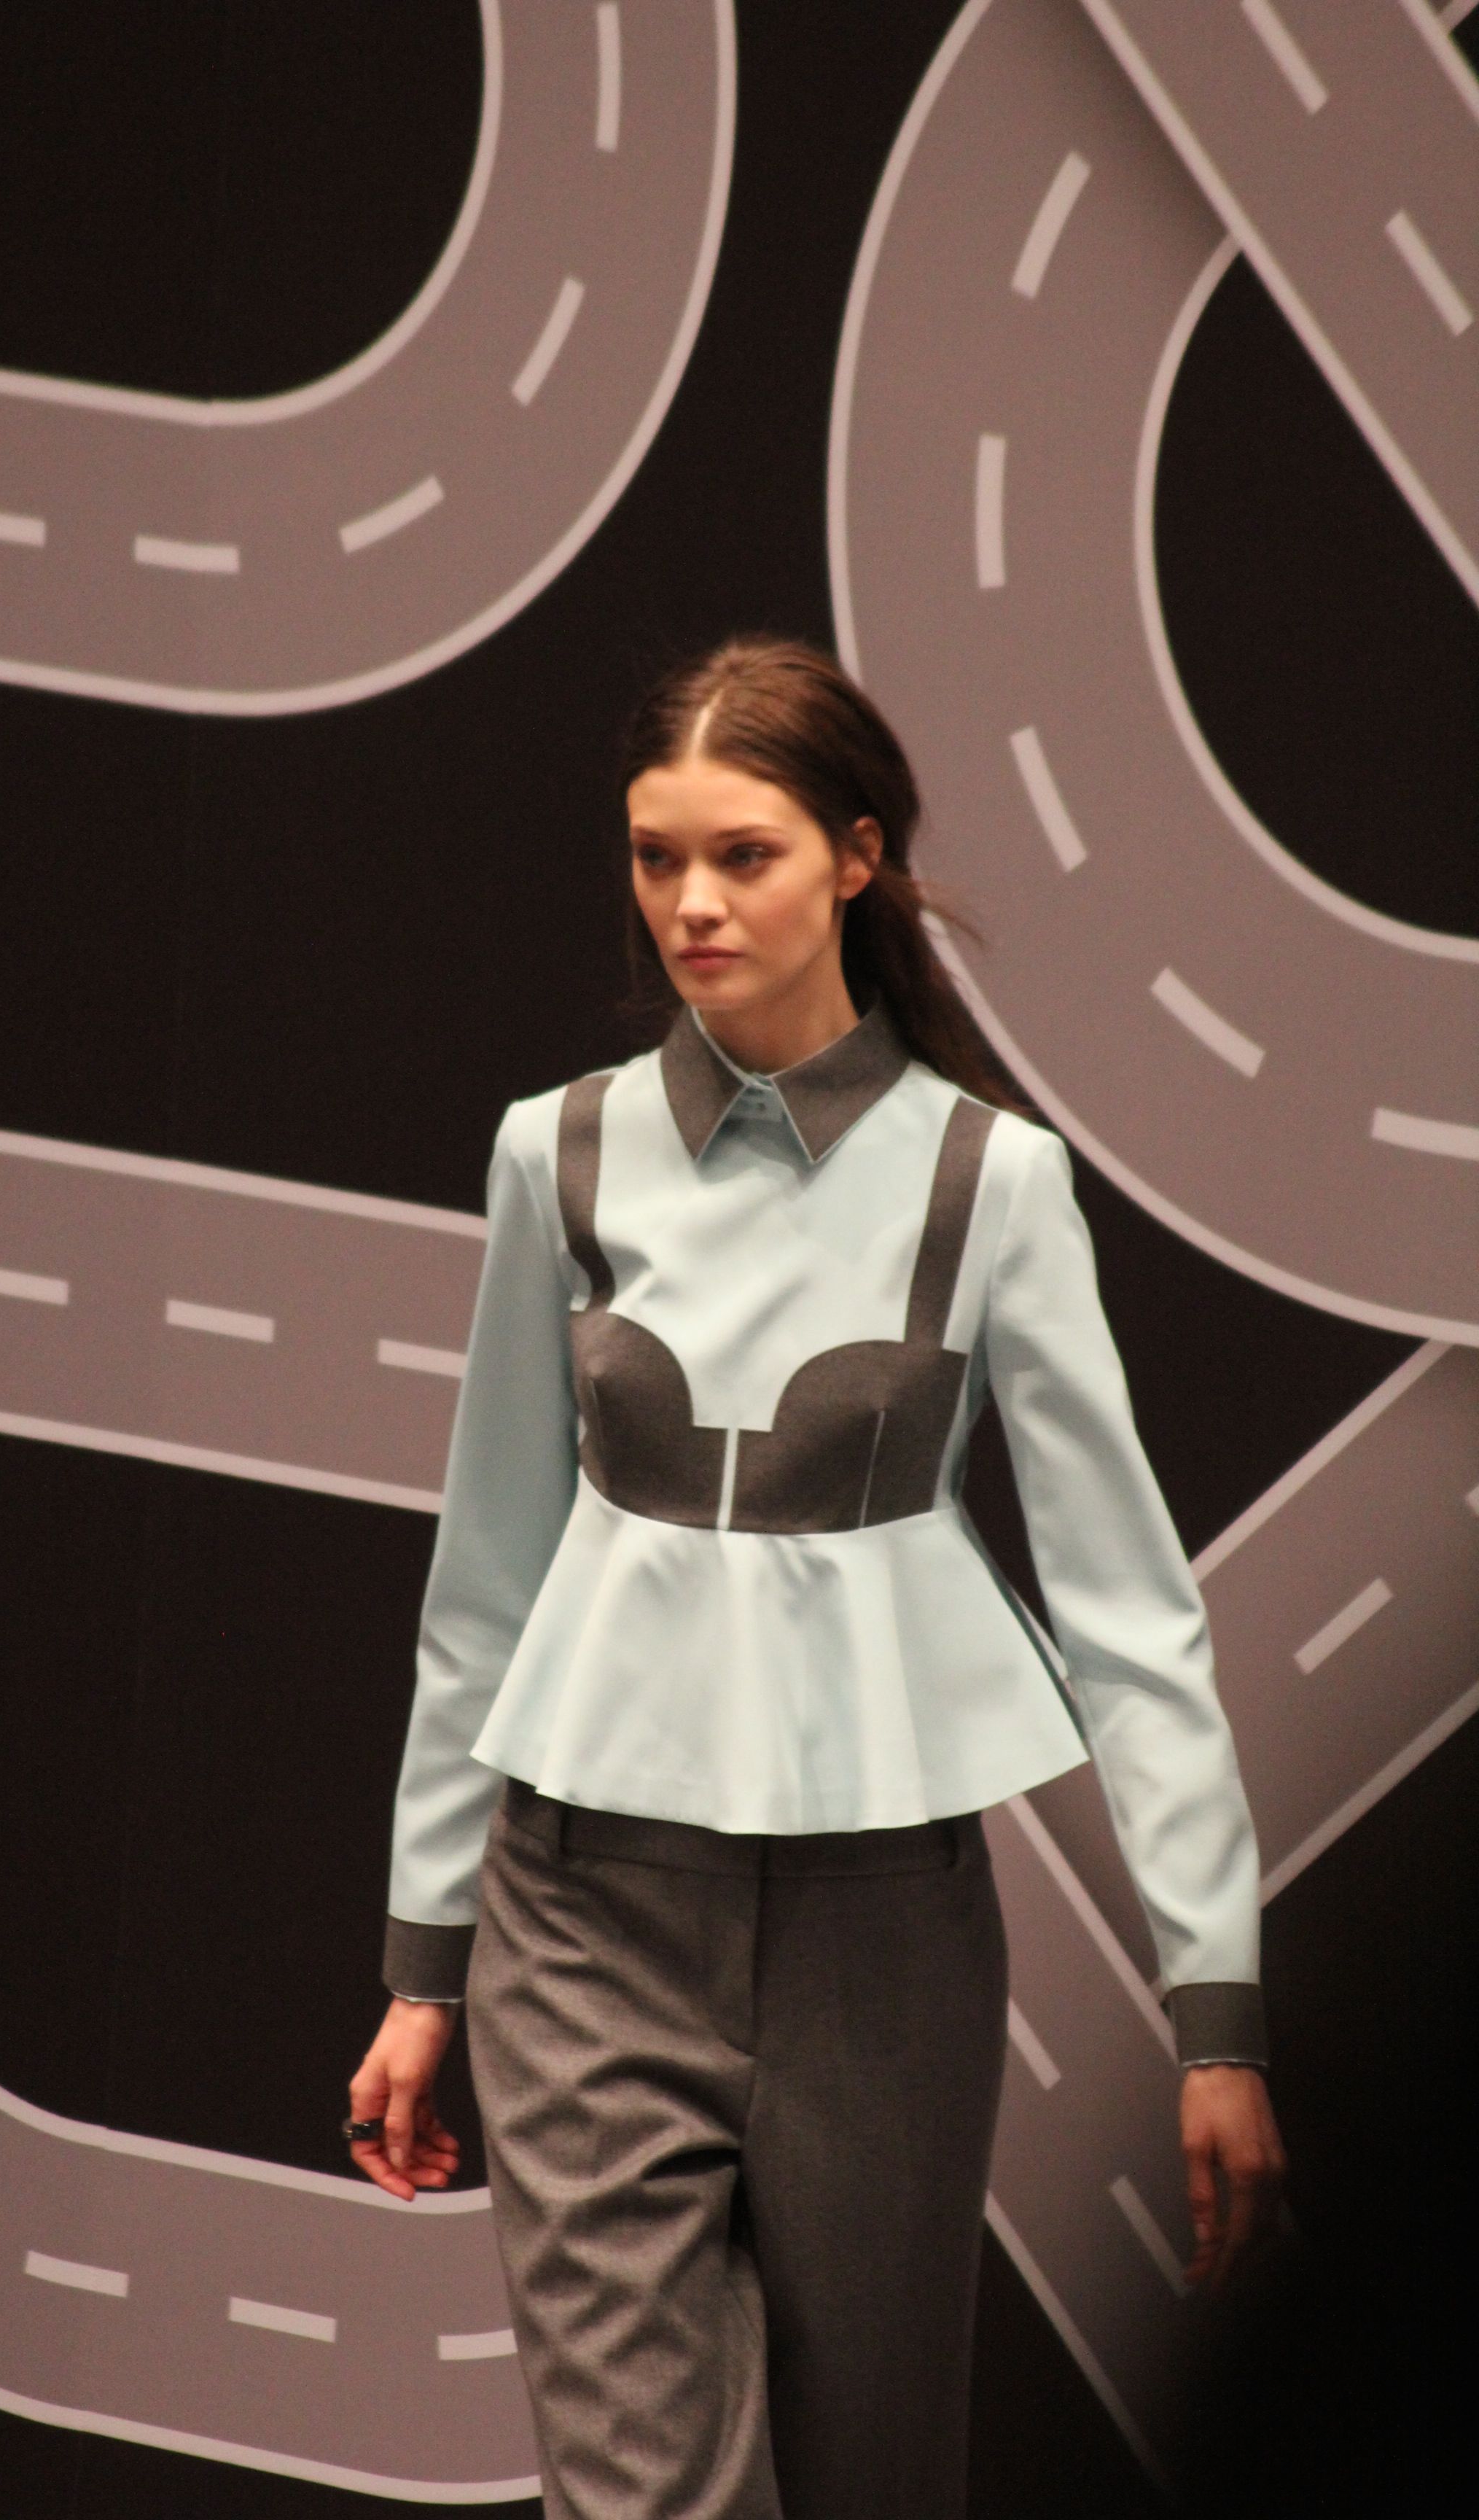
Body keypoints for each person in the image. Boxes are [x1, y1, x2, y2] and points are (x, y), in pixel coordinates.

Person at [346, 638, 1285, 2519]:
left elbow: (1126, 1613)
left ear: (858, 858)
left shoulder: (988, 1184)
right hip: (582, 1912)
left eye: (744, 855)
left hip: (884, 1936)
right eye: (656, 856)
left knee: (877, 2487)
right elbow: (487, 1581)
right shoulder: (560, 1154)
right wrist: (422, 1964)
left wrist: (1218, 2008)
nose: (691, 903)